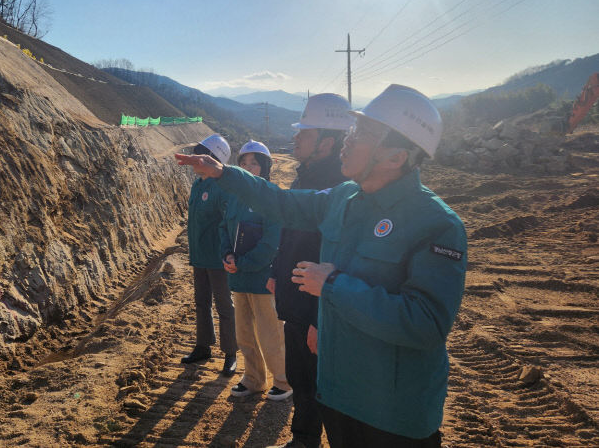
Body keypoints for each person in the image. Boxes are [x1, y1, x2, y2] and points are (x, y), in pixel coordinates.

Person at [176, 85, 467, 447]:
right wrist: (225, 174)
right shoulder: (346, 197)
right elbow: (283, 203)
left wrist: (333, 286)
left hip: (393, 413)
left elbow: (426, 323)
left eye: (361, 134)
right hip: (340, 395)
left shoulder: (436, 224)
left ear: (395, 156)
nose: (347, 140)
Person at [267, 94, 354, 448]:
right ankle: (303, 440)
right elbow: (290, 234)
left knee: (325, 388)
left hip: (317, 308)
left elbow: (338, 255)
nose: (295, 138)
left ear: (327, 142)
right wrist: (275, 270)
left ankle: (310, 440)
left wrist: (322, 318)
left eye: (305, 132)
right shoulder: (306, 178)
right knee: (302, 380)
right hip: (297, 303)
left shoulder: (339, 187)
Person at [220, 141, 292, 401]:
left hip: (262, 279)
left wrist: (245, 263)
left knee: (271, 334)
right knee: (245, 335)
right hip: (238, 278)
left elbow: (272, 241)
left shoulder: (270, 196)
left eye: (254, 163)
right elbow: (224, 229)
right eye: (244, 163)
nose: (248, 168)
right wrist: (227, 255)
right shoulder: (234, 197)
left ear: (265, 167)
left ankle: (283, 382)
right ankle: (253, 379)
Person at [181, 134, 238, 377]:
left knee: (224, 305)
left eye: (201, 155)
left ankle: (231, 353)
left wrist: (228, 253)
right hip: (199, 255)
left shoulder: (221, 188)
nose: (195, 160)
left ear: (213, 159)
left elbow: (229, 222)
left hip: (217, 258)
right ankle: (203, 346)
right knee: (201, 303)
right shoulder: (198, 185)